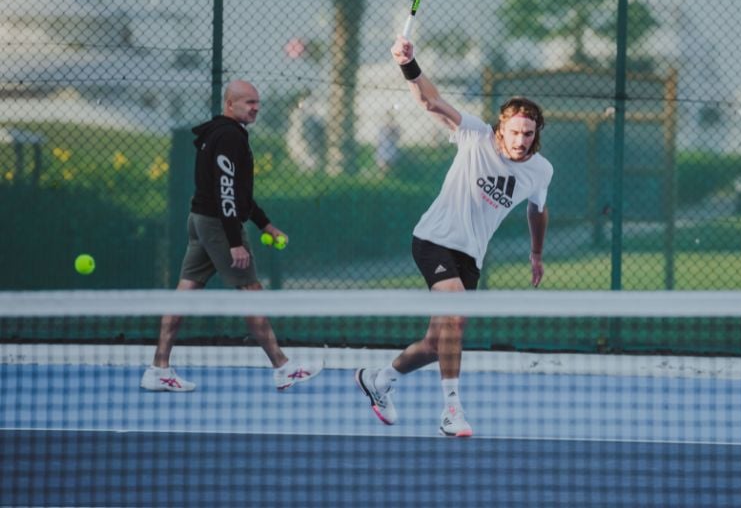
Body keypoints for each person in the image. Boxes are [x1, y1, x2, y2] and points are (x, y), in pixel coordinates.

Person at [355, 37, 553, 437]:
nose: (520, 140)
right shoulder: (475, 135)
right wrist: (407, 65)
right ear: (501, 128)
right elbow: (431, 102)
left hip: (470, 257)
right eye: (514, 131)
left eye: (528, 133)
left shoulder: (540, 171)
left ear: (536, 134)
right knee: (457, 316)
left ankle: (379, 379)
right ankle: (451, 409)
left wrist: (536, 253)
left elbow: (537, 210)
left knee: (435, 342)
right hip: (433, 239)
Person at [140, 80, 323, 392]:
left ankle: (158, 368)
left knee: (184, 294)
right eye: (249, 102)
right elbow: (227, 193)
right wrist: (235, 242)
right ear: (230, 103)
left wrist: (264, 224)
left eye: (257, 102)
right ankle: (282, 367)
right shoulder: (229, 137)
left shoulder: (218, 133)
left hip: (201, 220)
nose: (256, 108)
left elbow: (238, 193)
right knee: (252, 293)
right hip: (218, 227)